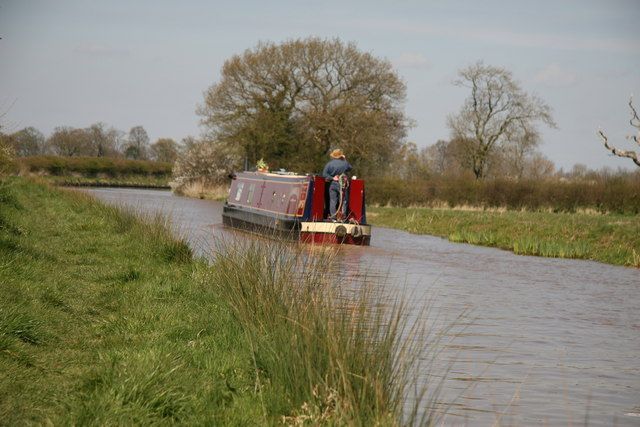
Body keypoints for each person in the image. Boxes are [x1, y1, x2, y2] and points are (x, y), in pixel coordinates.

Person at [322, 148, 352, 221]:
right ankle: (343, 217)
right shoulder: (345, 163)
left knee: (333, 201)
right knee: (344, 201)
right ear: (341, 156)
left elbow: (324, 174)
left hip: (333, 184)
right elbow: (350, 168)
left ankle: (333, 218)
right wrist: (344, 159)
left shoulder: (329, 164)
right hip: (343, 184)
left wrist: (332, 178)